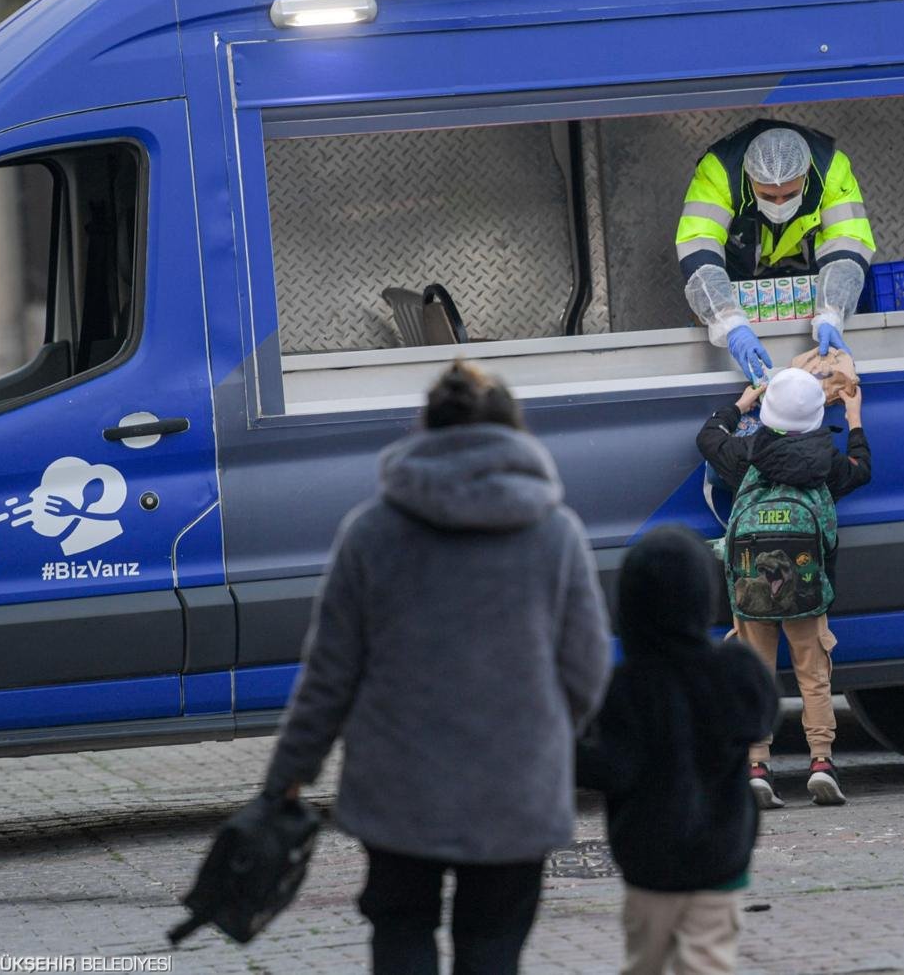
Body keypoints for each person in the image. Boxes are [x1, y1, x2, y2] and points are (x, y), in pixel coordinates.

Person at [263, 361, 612, 975]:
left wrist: (289, 775)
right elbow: (586, 666)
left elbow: (329, 674)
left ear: (426, 427)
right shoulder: (555, 533)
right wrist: (545, 732)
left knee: (401, 933)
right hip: (516, 787)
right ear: (514, 430)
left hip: (399, 789)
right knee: (493, 946)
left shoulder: (371, 532)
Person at [576, 524, 779, 975]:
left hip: (649, 862)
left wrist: (567, 748)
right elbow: (760, 717)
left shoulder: (626, 688)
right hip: (721, 855)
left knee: (644, 962)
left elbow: (610, 767)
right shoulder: (734, 671)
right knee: (707, 961)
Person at [697, 367, 870, 807]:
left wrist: (741, 405)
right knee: (813, 674)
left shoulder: (746, 453)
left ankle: (757, 767)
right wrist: (853, 417)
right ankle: (821, 763)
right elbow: (861, 469)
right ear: (816, 418)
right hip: (806, 587)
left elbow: (707, 436)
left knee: (756, 674)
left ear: (768, 413)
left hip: (752, 585)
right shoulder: (827, 463)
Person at [676, 121, 877, 382]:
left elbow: (849, 240)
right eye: (769, 197)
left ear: (805, 174)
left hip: (803, 255)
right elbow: (698, 243)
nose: (780, 204)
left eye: (790, 194)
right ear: (750, 178)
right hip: (740, 256)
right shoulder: (718, 172)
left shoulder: (832, 170)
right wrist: (728, 321)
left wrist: (831, 310)